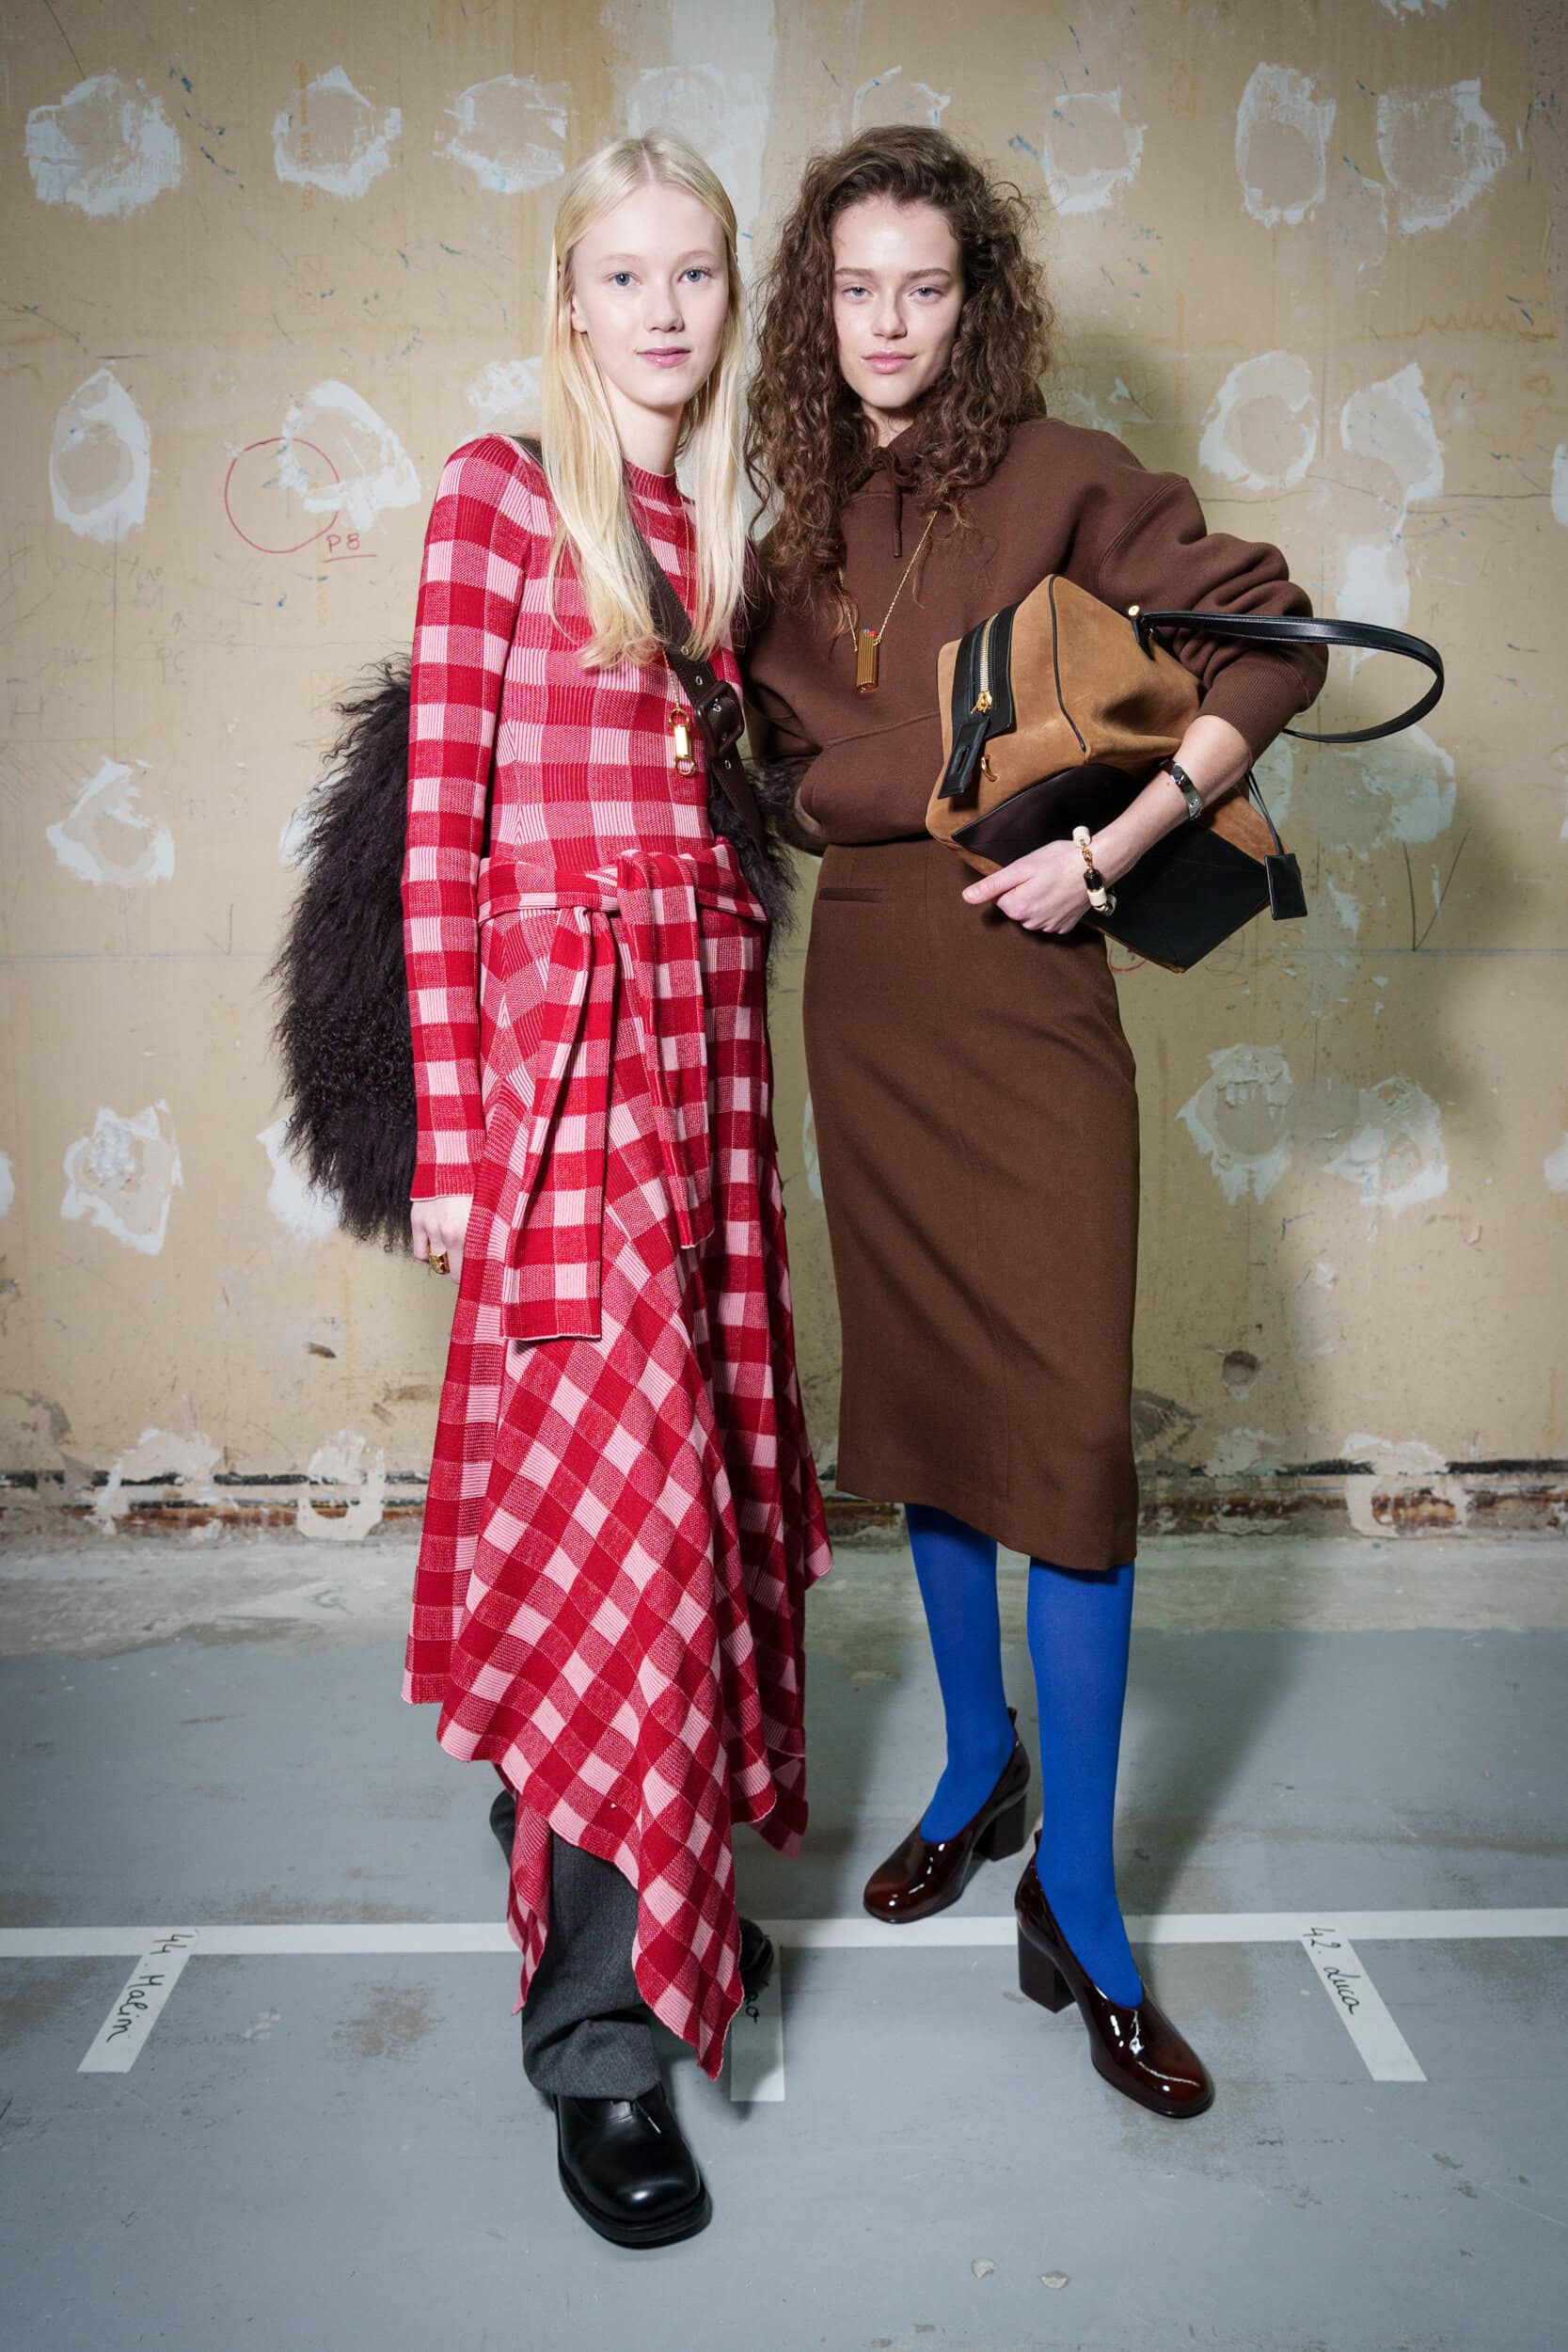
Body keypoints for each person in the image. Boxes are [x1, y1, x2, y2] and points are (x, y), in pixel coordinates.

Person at [742, 127, 1327, 2121]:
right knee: (926, 1408)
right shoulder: (787, 525)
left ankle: (1079, 1892)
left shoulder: (1067, 472)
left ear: (973, 301)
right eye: (856, 288)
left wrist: (1121, 843)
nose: (890, 323)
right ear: (816, 309)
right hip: (868, 1002)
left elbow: (1269, 639)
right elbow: (754, 756)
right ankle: (976, 1762)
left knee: (1065, 1426)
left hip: (1027, 985)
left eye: (925, 286)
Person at [400, 130, 831, 2245]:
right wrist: (453, 1140)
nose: (664, 312)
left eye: (697, 275)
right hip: (561, 1082)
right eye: (626, 275)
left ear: (730, 300)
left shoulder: (723, 526)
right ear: (568, 298)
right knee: (621, 1537)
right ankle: (597, 2042)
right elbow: (433, 832)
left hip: (705, 1078)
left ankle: (620, 1855)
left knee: (692, 1517)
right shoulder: (498, 493)